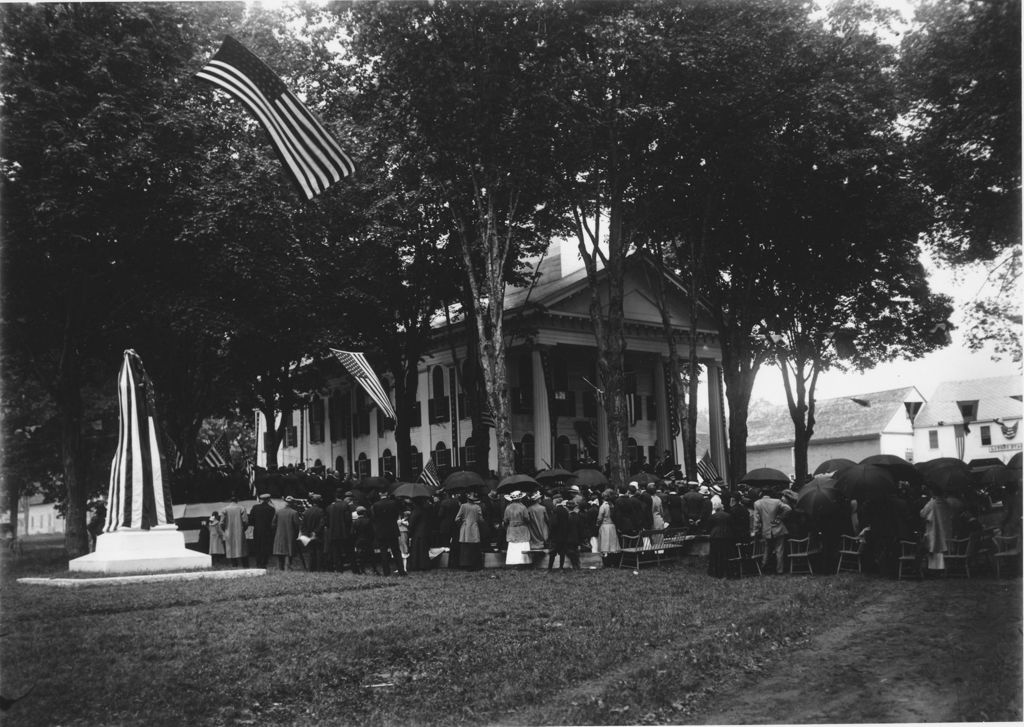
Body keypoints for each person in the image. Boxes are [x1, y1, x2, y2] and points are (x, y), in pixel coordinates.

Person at [753, 490, 791, 574]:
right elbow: (788, 508)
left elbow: (756, 519)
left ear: (761, 495)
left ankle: (763, 567)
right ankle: (779, 570)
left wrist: (756, 530)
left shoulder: (757, 503)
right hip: (778, 528)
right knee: (779, 550)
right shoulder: (776, 501)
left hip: (766, 530)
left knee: (767, 549)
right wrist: (780, 517)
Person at [370, 492, 406, 576]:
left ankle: (386, 572)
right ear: (386, 493)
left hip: (381, 530)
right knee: (396, 551)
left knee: (383, 551)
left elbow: (374, 517)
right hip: (392, 529)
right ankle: (401, 570)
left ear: (380, 494)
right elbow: (396, 515)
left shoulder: (375, 505)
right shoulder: (393, 503)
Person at [921, 493, 956, 574]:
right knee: (942, 551)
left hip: (933, 530)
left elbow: (922, 513)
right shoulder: (946, 503)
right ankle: (942, 569)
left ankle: (933, 570)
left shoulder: (931, 503)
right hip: (945, 531)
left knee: (934, 550)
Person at [455, 492, 484, 570]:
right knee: (474, 546)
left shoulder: (463, 506)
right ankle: (475, 564)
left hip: (465, 527)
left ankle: (465, 564)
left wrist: (462, 522)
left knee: (465, 546)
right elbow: (481, 520)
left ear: (467, 499)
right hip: (474, 527)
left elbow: (457, 518)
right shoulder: (477, 507)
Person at [325, 489, 353, 572]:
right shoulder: (345, 505)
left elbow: (327, 522)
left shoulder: (329, 507)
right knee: (348, 551)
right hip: (344, 532)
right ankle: (353, 568)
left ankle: (338, 568)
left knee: (335, 552)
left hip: (333, 532)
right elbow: (348, 520)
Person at [502, 491, 532, 566]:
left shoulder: (508, 508)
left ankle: (513, 561)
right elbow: (527, 519)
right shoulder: (523, 507)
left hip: (512, 529)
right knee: (522, 544)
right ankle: (524, 561)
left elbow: (505, 520)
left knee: (513, 545)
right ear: (520, 498)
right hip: (522, 529)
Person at [272, 497, 302, 571]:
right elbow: (297, 526)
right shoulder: (294, 513)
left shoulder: (278, 512)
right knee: (288, 552)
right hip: (290, 535)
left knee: (280, 552)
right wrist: (296, 535)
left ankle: (280, 568)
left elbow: (273, 524)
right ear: (292, 503)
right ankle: (287, 568)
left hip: (279, 535)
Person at [707, 498, 734, 577]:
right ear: (722, 508)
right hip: (726, 536)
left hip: (715, 536)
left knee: (715, 555)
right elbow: (731, 526)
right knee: (725, 554)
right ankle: (726, 571)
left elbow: (709, 527)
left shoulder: (713, 516)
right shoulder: (728, 515)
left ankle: (715, 572)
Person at [249, 493, 276, 569]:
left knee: (257, 546)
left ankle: (258, 562)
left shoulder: (255, 508)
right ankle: (264, 563)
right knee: (266, 547)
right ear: (268, 500)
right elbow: (273, 521)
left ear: (261, 500)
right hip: (267, 531)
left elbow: (251, 520)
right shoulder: (271, 509)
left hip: (257, 530)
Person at [221, 496, 249, 568]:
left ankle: (234, 566)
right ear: (237, 500)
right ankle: (245, 566)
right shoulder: (242, 508)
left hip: (229, 532)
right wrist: (243, 529)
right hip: (240, 532)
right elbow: (245, 521)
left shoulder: (225, 509)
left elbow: (221, 523)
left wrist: (226, 530)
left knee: (231, 550)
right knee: (242, 550)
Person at [300, 493, 325, 571]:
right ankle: (318, 568)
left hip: (308, 535)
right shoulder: (321, 511)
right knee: (319, 552)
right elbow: (322, 523)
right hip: (317, 535)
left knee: (311, 552)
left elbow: (303, 524)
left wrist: (306, 533)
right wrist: (316, 532)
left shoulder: (307, 511)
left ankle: (311, 568)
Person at [351, 506, 378, 575]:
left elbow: (352, 533)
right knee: (371, 555)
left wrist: (355, 540)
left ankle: (362, 570)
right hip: (367, 540)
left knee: (360, 556)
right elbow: (372, 532)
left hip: (359, 541)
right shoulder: (368, 521)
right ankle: (374, 569)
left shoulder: (355, 522)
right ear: (364, 512)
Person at [596, 491, 620, 566]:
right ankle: (613, 561)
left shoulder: (603, 506)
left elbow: (600, 517)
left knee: (605, 544)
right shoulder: (612, 505)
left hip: (605, 525)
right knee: (612, 544)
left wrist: (597, 524)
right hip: (612, 526)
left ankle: (606, 562)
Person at [526, 492, 549, 565]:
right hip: (542, 525)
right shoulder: (543, 508)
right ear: (538, 499)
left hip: (533, 526)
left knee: (534, 536)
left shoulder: (529, 509)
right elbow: (547, 519)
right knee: (543, 537)